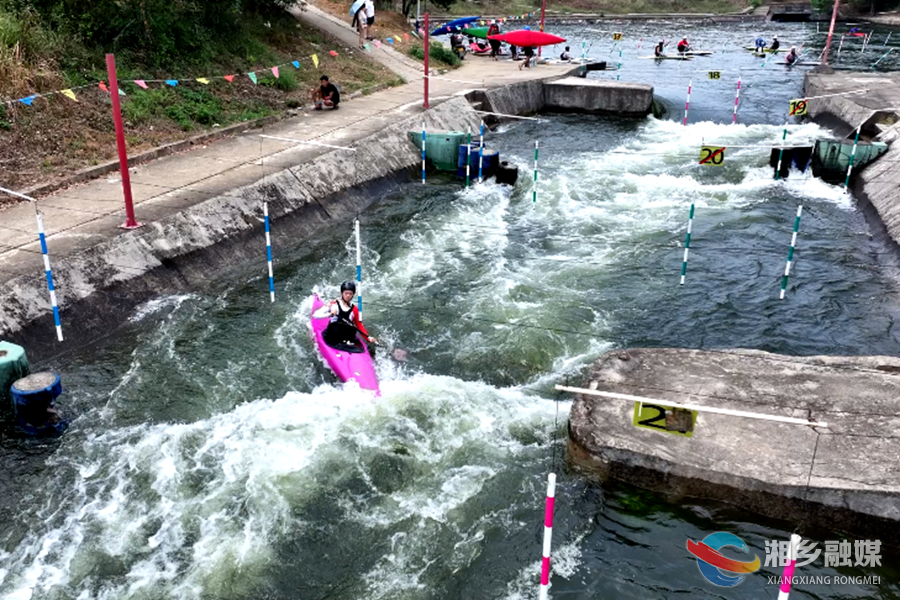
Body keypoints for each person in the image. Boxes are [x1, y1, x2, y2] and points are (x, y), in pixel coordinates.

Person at [314, 281, 377, 352]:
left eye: (350, 294)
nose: (348, 296)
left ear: (353, 295)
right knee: (336, 327)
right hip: (333, 336)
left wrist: (368, 338)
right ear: (342, 293)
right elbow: (315, 315)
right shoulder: (334, 304)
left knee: (352, 329)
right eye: (346, 293)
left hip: (346, 338)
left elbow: (359, 325)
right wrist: (330, 314)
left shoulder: (355, 310)